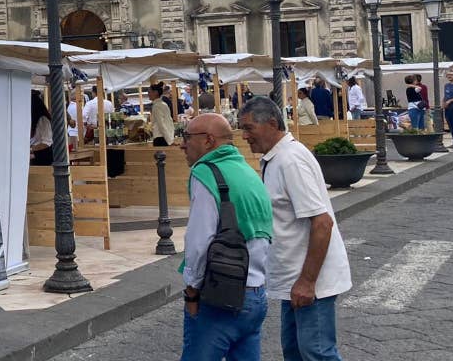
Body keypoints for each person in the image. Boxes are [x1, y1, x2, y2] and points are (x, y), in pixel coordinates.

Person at [239, 97, 351, 361]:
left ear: (271, 124)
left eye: (248, 129)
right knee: (296, 352)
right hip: (295, 276)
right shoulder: (276, 158)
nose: (244, 136)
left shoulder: (290, 161)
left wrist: (307, 281)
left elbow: (322, 223)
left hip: (310, 278)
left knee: (316, 353)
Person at [179, 113, 272, 361]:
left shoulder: (206, 172)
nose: (182, 144)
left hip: (220, 295)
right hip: (255, 294)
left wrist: (191, 291)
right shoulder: (247, 171)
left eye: (187, 137)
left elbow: (198, 242)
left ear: (208, 141)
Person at [30, 90, 53, 166]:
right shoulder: (33, 119)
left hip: (43, 158)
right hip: (36, 156)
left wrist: (30, 149)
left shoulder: (42, 119)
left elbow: (46, 143)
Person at [149, 82, 176, 146]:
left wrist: (170, 141)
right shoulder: (163, 104)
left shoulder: (157, 106)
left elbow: (161, 124)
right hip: (165, 137)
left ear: (155, 92)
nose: (148, 94)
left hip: (161, 138)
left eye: (149, 92)